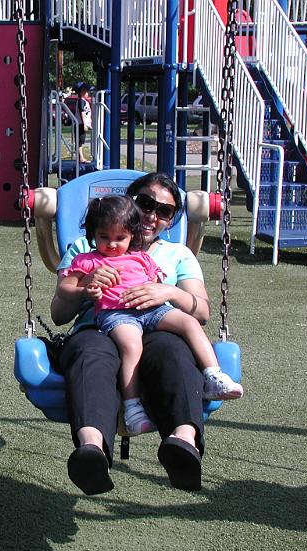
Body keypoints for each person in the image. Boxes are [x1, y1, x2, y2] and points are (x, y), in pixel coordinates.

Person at [52, 172, 215, 495]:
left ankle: (183, 443)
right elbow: (59, 314)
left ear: (171, 220)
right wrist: (87, 286)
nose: (152, 215)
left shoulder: (178, 254)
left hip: (156, 324)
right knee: (90, 354)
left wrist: (169, 293)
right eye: (145, 203)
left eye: (164, 211)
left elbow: (203, 311)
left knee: (173, 351)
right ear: (129, 203)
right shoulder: (88, 246)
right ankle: (91, 451)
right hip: (98, 324)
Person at [57, 194, 243, 437]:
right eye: (104, 238)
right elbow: (64, 291)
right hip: (117, 313)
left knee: (188, 323)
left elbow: (161, 282)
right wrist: (85, 289)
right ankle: (132, 408)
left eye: (120, 238)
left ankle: (213, 376)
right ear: (93, 234)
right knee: (131, 347)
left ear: (131, 235)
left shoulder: (143, 256)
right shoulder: (87, 258)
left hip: (154, 311)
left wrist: (168, 291)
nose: (112, 244)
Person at [75, 83, 93, 163]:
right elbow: (82, 112)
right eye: (86, 92)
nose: (88, 94)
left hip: (83, 124)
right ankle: (81, 158)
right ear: (82, 92)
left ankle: (81, 157)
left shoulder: (84, 101)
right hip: (80, 125)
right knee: (79, 143)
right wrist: (85, 124)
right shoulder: (81, 101)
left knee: (81, 142)